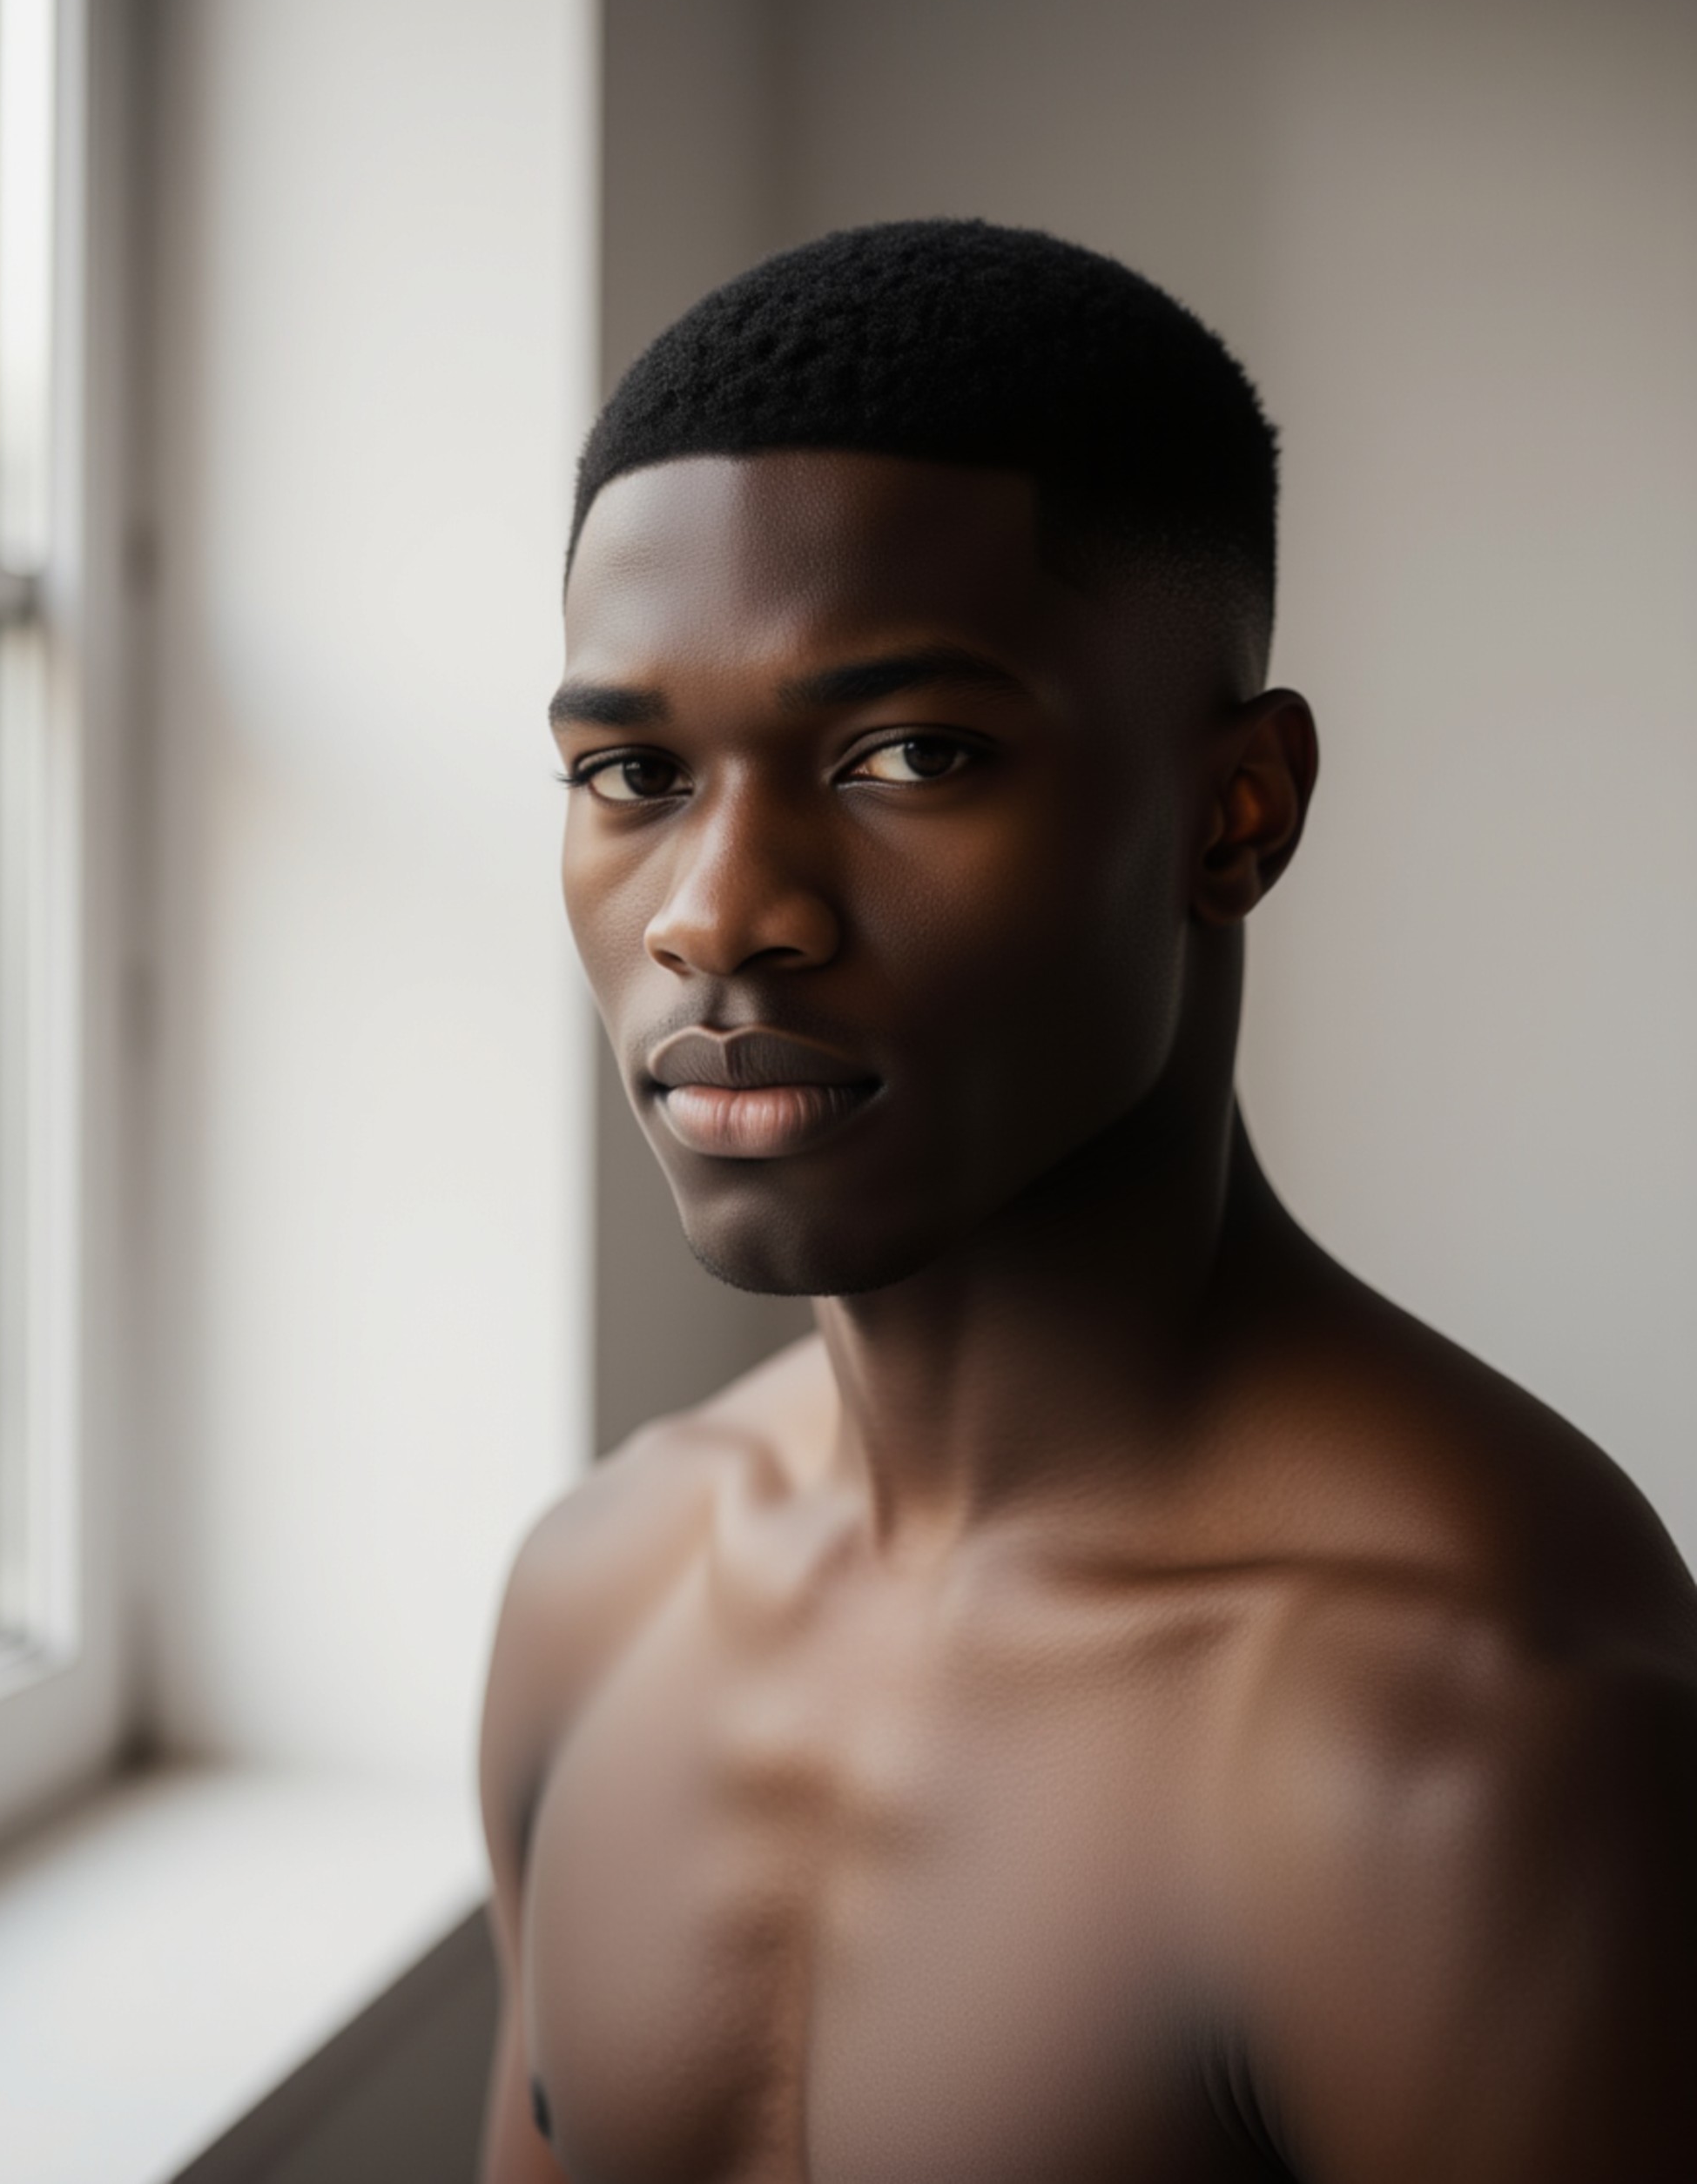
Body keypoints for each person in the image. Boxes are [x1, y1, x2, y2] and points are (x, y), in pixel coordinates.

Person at [479, 220, 1697, 2183]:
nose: (714, 913)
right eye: (631, 771)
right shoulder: (591, 1595)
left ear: (1238, 811)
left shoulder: (1475, 1729)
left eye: (908, 753)